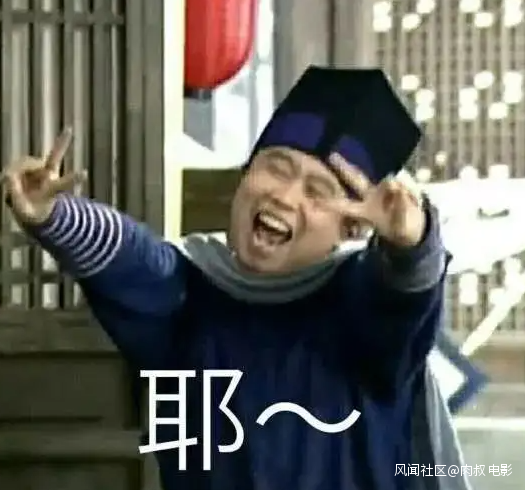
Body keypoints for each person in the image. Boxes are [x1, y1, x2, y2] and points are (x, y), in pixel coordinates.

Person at [2, 67, 471, 490]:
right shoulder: (193, 295)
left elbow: (402, 298)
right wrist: (55, 216)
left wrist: (412, 243)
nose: (285, 196)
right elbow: (136, 260)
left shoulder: (361, 313)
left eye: (317, 191)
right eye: (276, 168)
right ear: (245, 175)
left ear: (350, 229)